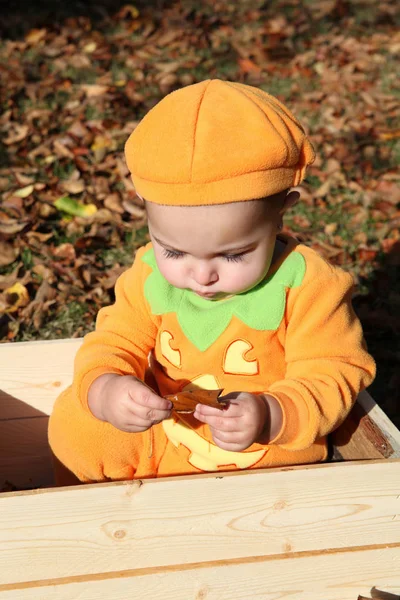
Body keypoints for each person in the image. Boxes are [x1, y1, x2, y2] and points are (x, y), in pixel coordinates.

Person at [48, 79, 376, 483]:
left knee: (274, 470)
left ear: (280, 212)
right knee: (75, 421)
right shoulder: (149, 274)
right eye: (174, 252)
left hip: (262, 452)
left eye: (234, 254)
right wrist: (108, 389)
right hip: (168, 434)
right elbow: (115, 340)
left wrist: (272, 414)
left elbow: (334, 368)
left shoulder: (307, 285)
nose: (202, 275)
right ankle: (129, 502)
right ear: (146, 214)